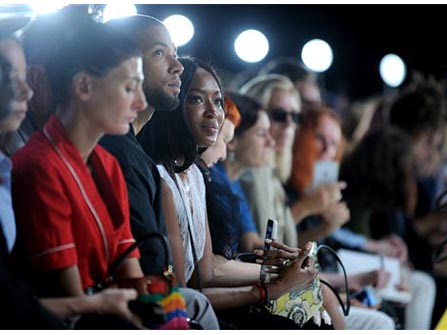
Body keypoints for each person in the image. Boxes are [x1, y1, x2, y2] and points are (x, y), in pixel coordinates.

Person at [138, 57, 326, 329]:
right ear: (174, 105)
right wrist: (269, 289)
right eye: (196, 100)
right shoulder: (162, 178)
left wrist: (280, 271)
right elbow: (184, 296)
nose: (214, 113)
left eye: (217, 101)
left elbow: (209, 272)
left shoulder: (194, 176)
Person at [0, 20, 141, 329]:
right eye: (129, 87)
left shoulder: (108, 163)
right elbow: (74, 302)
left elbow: (129, 268)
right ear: (83, 86)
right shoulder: (39, 166)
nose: (140, 103)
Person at [99, 14, 219, 329]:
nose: (177, 66)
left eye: (175, 54)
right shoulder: (119, 153)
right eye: (159, 53)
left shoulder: (133, 152)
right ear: (124, 65)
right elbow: (155, 272)